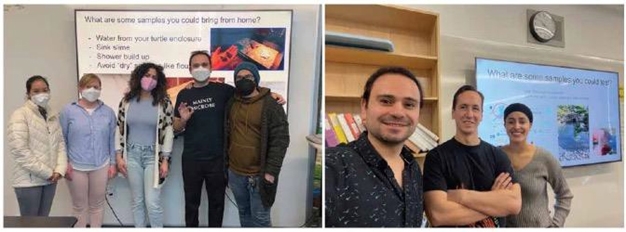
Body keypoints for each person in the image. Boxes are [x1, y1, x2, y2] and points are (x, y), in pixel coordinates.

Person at [174, 51, 285, 227]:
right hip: (191, 160)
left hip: (218, 161)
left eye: (204, 64)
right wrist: (183, 120)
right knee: (191, 204)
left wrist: (272, 95)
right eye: (196, 65)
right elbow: (175, 127)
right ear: (189, 69)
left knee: (217, 205)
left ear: (211, 68)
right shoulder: (183, 94)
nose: (200, 68)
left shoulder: (224, 91)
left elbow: (250, 92)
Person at [325, 67, 424, 227]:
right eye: (386, 101)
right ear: (364, 107)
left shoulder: (413, 168)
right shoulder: (334, 167)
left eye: (409, 104)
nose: (398, 112)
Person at [423, 85, 521, 227]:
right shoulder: (436, 157)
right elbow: (438, 215)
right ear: (453, 113)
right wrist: (495, 202)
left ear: (481, 115)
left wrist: (461, 196)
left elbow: (514, 204)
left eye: (475, 108)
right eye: (463, 107)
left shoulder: (498, 156)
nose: (469, 114)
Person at [225, 62, 290, 227]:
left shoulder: (271, 105)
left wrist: (271, 172)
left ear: (256, 79)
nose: (243, 80)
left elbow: (280, 140)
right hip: (235, 173)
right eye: (239, 78)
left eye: (248, 77)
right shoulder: (231, 103)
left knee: (261, 220)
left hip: (259, 176)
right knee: (244, 214)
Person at [115, 63, 174, 228]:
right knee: (137, 201)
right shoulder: (126, 101)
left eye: (154, 77)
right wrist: (119, 156)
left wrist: (165, 159)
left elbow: (168, 131)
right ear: (139, 77)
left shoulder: (164, 103)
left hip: (153, 157)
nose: (150, 80)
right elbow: (119, 129)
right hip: (132, 155)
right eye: (147, 75)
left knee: (152, 203)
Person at [500, 103, 573, 227]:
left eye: (522, 121)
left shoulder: (544, 157)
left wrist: (556, 226)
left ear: (530, 125)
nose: (516, 126)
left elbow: (565, 194)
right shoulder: (496, 156)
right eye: (511, 122)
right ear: (505, 125)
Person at [60, 73, 117, 227]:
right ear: (80, 88)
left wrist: (112, 163)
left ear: (100, 89)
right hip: (76, 167)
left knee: (97, 206)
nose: (92, 90)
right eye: (88, 86)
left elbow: (112, 140)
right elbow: (61, 140)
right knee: (79, 206)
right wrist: (65, 163)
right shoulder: (68, 111)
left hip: (101, 165)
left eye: (96, 87)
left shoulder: (108, 112)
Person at [8, 75, 67, 216]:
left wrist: (59, 170)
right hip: (29, 182)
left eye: (45, 90)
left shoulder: (52, 115)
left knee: (43, 221)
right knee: (30, 224)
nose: (42, 94)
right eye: (36, 91)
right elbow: (19, 150)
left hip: (50, 180)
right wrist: (47, 173)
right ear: (28, 94)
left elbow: (60, 144)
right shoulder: (20, 115)